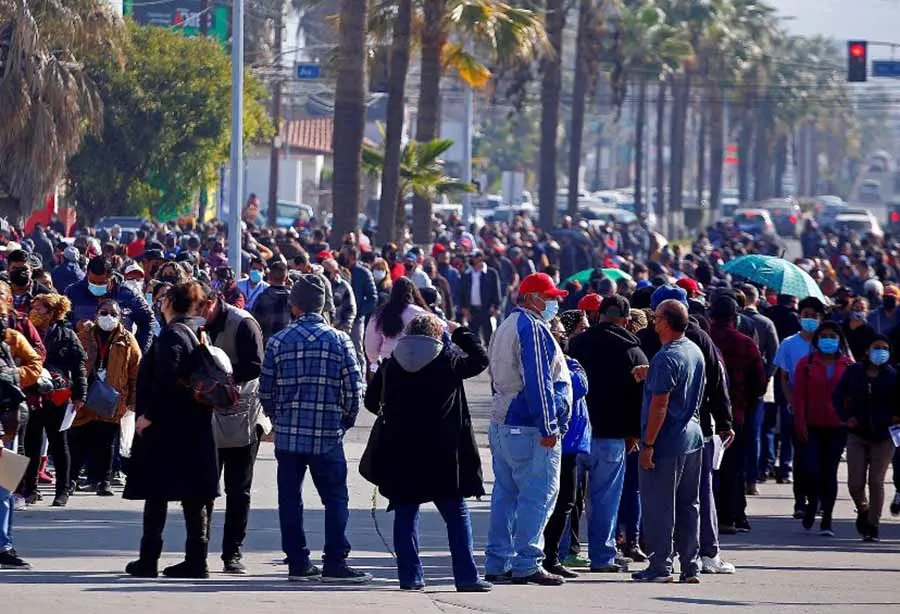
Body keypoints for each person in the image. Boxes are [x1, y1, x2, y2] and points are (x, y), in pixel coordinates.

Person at [364, 314, 492, 592]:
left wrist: (397, 414)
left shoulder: (390, 364)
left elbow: (371, 401)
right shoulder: (448, 361)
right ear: (437, 335)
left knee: (406, 514)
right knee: (456, 515)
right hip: (443, 451)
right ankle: (467, 577)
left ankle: (410, 577)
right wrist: (461, 332)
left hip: (402, 449)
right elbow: (481, 359)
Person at [260, 274, 371, 583]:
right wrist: (344, 421)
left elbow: (265, 389)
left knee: (289, 500)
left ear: (294, 307)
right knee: (335, 498)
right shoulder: (339, 340)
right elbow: (353, 388)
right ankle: (336, 561)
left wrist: (277, 417)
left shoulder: (279, 341)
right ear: (323, 306)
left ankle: (297, 562)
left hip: (289, 434)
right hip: (327, 434)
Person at [124, 282, 220, 578]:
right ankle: (196, 559)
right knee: (193, 497)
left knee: (157, 493)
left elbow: (167, 379)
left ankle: (148, 559)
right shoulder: (196, 331)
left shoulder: (173, 335)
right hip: (194, 426)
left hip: (169, 430)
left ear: (169, 303)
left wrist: (148, 417)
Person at [485, 272, 572, 586]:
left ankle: (498, 561)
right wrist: (549, 424)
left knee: (505, 496)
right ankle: (527, 562)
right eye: (550, 298)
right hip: (529, 426)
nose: (554, 304)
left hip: (505, 421)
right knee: (538, 495)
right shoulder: (532, 328)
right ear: (534, 297)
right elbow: (538, 381)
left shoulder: (507, 325)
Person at [567, 295, 647, 571]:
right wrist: (635, 433)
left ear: (599, 315)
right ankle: (602, 557)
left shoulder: (575, 345)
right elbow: (640, 398)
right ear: (625, 320)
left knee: (568, 498)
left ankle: (564, 551)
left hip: (575, 434)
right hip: (614, 437)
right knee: (605, 501)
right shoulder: (634, 352)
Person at [632, 299, 705, 584]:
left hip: (667, 442)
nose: (653, 321)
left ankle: (660, 565)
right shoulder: (692, 350)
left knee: (659, 506)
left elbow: (660, 405)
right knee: (689, 505)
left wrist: (647, 445)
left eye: (656, 317)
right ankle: (690, 565)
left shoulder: (666, 357)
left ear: (666, 322)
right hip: (692, 437)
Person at [199, 286, 267, 574]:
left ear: (214, 302)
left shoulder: (243, 324)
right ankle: (197, 551)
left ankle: (232, 553)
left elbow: (255, 366)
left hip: (243, 417)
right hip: (207, 416)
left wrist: (221, 376)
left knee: (238, 490)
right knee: (203, 489)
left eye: (203, 309)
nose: (199, 315)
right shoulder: (195, 325)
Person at [69, 299, 141, 497]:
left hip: (113, 397)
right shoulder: (84, 335)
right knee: (78, 439)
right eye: (103, 312)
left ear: (120, 317)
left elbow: (135, 371)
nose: (107, 317)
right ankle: (71, 479)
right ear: (96, 314)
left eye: (112, 313)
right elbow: (73, 361)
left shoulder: (127, 340)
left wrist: (133, 399)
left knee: (107, 442)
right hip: (85, 395)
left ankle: (104, 481)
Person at [22, 294, 88, 508]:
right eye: (33, 308)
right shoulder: (25, 332)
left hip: (58, 396)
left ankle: (62, 490)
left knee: (59, 444)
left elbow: (79, 367)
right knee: (30, 444)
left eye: (39, 309)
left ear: (52, 313)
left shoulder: (66, 335)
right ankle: (29, 490)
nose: (34, 312)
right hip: (32, 394)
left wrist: (80, 395)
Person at [707, 296, 766, 534]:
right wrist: (746, 402)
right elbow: (759, 383)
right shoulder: (746, 343)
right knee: (734, 467)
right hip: (737, 414)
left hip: (707, 415)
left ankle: (711, 515)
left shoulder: (704, 340)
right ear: (735, 317)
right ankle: (731, 515)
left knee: (708, 469)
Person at [833, 335, 899, 541]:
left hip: (883, 436)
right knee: (855, 483)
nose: (880, 351)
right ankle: (863, 508)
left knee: (876, 481)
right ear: (867, 351)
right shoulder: (853, 373)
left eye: (884, 348)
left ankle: (873, 524)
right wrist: (846, 417)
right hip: (857, 435)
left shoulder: (893, 376)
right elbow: (837, 396)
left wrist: (893, 418)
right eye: (876, 347)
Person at [792, 321, 853, 537]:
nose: (828, 340)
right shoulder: (806, 364)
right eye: (824, 336)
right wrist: (800, 423)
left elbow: (853, 397)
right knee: (810, 471)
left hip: (838, 427)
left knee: (829, 473)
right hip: (811, 426)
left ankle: (827, 518)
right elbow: (798, 396)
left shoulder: (847, 365)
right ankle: (811, 503)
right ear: (818, 339)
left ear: (839, 340)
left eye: (833, 336)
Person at [542, 312, 591, 578]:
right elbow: (579, 385)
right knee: (557, 501)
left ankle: (552, 556)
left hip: (572, 443)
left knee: (568, 502)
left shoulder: (568, 362)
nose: (568, 337)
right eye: (562, 334)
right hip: (558, 441)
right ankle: (547, 556)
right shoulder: (557, 364)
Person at [0, 298, 47, 569]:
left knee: (4, 488)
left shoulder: (14, 337)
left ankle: (4, 545)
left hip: (8, 420)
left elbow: (35, 364)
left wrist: (11, 375)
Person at [772, 296, 825, 516]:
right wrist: (791, 401)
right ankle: (800, 501)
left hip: (823, 407)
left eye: (814, 316)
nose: (810, 320)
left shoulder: (827, 342)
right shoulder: (789, 343)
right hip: (797, 406)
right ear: (799, 317)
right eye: (806, 316)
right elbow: (783, 376)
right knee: (801, 455)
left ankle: (820, 499)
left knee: (821, 457)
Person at [738, 284, 779, 493]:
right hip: (758, 384)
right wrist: (767, 377)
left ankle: (740, 477)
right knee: (754, 432)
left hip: (737, 384)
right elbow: (775, 355)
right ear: (756, 299)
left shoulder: (735, 322)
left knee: (738, 431)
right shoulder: (766, 323)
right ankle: (751, 480)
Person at [66, 256, 154, 353]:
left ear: (111, 277)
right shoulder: (73, 292)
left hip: (119, 354)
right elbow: (61, 321)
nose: (96, 286)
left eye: (101, 283)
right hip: (83, 354)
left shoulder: (128, 295)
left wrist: (138, 351)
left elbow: (148, 322)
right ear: (87, 275)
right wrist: (75, 326)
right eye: (93, 282)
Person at [364, 277, 429, 374]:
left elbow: (371, 342)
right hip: (414, 365)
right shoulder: (420, 313)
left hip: (387, 364)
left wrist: (375, 361)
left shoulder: (380, 313)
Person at [343, 246, 377, 365]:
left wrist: (357, 312)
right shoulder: (339, 270)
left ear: (352, 256)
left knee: (357, 351)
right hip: (339, 319)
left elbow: (372, 298)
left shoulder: (363, 273)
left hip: (356, 321)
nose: (342, 256)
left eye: (345, 254)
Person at [460, 250, 502, 346]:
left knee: (488, 336)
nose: (471, 260)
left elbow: (496, 291)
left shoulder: (491, 273)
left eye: (473, 257)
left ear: (480, 258)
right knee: (473, 337)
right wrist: (464, 308)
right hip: (472, 309)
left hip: (487, 309)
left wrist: (496, 307)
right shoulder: (466, 274)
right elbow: (462, 292)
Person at [251, 261, 293, 344]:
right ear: (287, 278)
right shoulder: (293, 298)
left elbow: (254, 324)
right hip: (288, 344)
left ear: (269, 277)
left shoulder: (262, 298)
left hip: (267, 345)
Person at [6, 249, 51, 315]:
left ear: (31, 270)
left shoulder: (46, 295)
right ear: (8, 270)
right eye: (15, 269)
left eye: (24, 269)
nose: (20, 272)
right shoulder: (2, 292)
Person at [322, 258, 357, 334]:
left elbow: (350, 309)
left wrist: (345, 328)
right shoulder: (318, 284)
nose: (324, 275)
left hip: (337, 329)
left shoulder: (344, 287)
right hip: (320, 328)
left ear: (336, 272)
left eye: (327, 272)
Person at [843, 297, 877, 363]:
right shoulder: (843, 326)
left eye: (862, 308)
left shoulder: (869, 330)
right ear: (851, 308)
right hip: (844, 361)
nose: (859, 310)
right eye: (856, 307)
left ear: (866, 311)